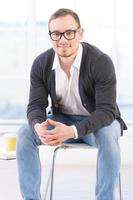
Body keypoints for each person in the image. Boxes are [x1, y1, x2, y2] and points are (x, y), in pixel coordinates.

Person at [16, 8, 127, 200]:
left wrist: (73, 131)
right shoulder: (41, 64)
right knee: (25, 133)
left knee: (108, 136)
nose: (63, 40)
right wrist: (38, 125)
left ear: (80, 33)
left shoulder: (100, 62)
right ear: (50, 36)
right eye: (56, 34)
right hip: (63, 121)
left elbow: (106, 111)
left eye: (69, 33)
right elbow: (35, 105)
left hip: (99, 124)